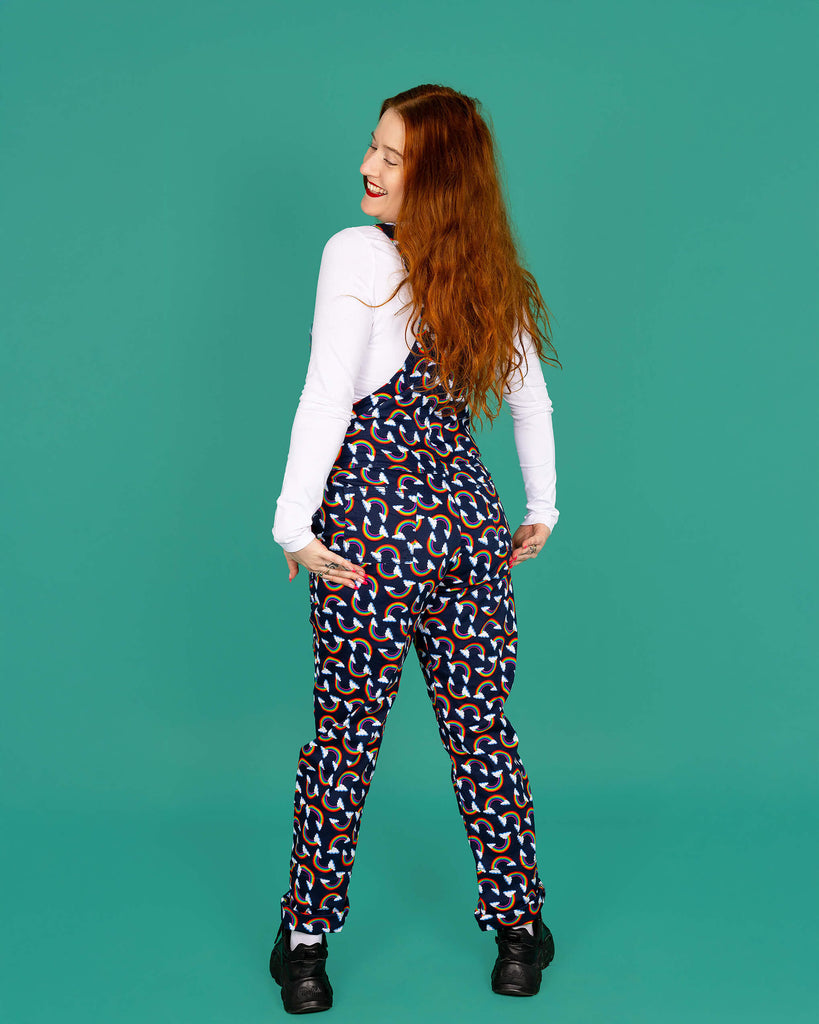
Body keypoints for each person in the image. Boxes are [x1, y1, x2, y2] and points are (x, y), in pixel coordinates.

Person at [269, 84, 561, 1014]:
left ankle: (307, 950)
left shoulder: (352, 253)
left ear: (434, 177)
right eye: (372, 147)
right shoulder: (488, 272)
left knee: (346, 744)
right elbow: (529, 403)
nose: (368, 167)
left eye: (392, 157)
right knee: (481, 737)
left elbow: (326, 394)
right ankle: (517, 938)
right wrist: (541, 506)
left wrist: (291, 522)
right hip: (470, 535)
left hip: (368, 539)